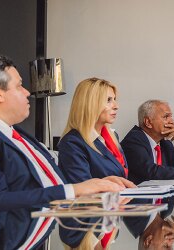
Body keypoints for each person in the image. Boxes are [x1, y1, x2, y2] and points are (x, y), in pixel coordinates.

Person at [0, 54, 132, 249]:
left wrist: (92, 188)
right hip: (2, 237)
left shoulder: (16, 133)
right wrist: (74, 191)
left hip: (43, 226)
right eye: (19, 85)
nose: (27, 92)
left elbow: (48, 184)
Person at [57, 77, 131, 248]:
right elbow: (83, 190)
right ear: (90, 104)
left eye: (114, 99)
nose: (116, 105)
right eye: (108, 100)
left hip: (109, 216)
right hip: (84, 225)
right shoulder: (72, 143)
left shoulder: (110, 138)